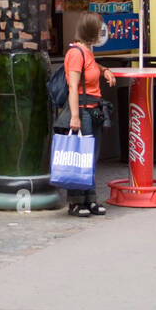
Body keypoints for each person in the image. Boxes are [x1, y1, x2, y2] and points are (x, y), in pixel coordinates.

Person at [57, 11, 117, 217]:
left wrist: (104, 70)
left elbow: (91, 66)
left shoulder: (86, 51)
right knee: (79, 156)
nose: (102, 32)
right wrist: (74, 117)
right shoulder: (75, 53)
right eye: (99, 29)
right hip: (82, 111)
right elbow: (73, 87)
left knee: (90, 157)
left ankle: (90, 200)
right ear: (91, 30)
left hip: (94, 110)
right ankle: (75, 202)